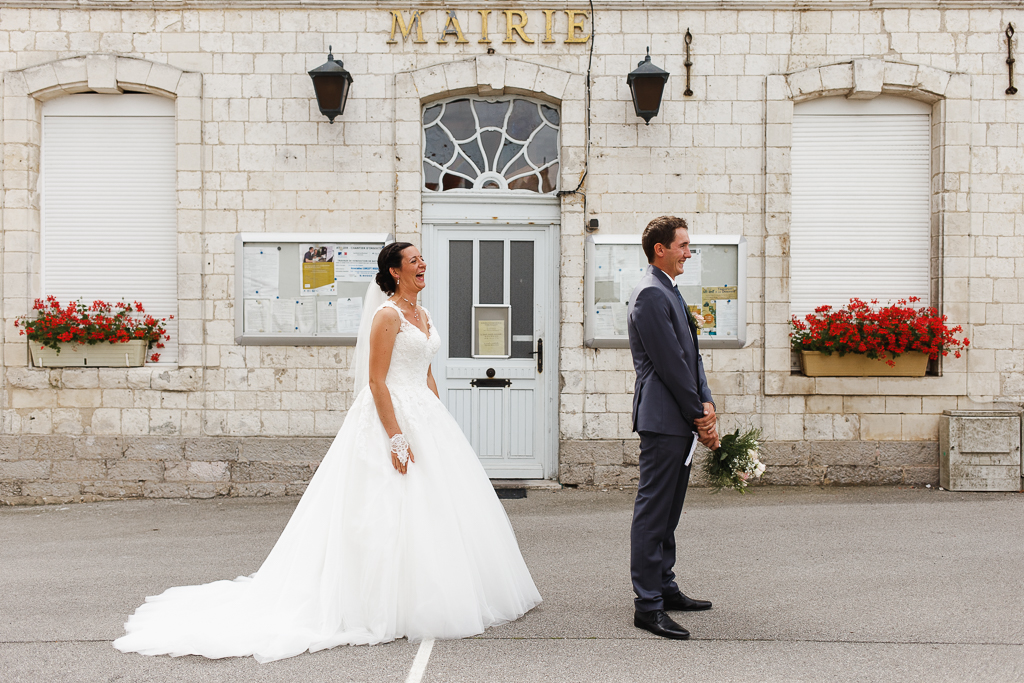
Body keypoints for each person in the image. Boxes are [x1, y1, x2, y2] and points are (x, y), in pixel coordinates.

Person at [114, 242, 541, 663]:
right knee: (384, 506)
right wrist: (396, 437)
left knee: (440, 507)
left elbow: (426, 371)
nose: (422, 264)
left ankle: (443, 590)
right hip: (388, 416)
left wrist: (438, 419)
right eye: (414, 260)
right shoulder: (387, 317)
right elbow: (377, 382)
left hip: (425, 414)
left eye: (421, 259)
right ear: (395, 271)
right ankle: (375, 601)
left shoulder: (423, 315)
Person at [626, 216, 720, 641]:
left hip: (680, 416)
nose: (688, 252)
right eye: (682, 245)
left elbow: (692, 357)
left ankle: (664, 587)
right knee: (653, 512)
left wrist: (708, 403)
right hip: (664, 420)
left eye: (688, 245)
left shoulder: (669, 291)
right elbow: (670, 365)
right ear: (659, 248)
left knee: (670, 512)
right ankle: (648, 605)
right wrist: (699, 415)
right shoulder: (649, 294)